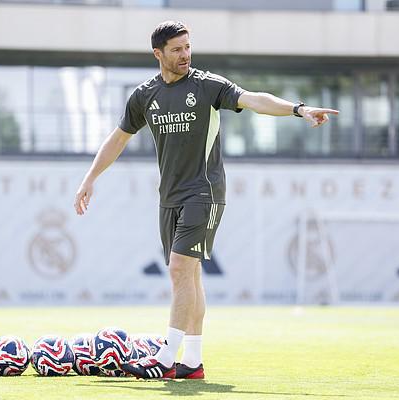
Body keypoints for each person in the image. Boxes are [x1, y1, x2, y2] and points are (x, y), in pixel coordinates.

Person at [74, 20, 339, 380]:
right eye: (176, 49)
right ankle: (193, 361)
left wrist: (298, 109)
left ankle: (165, 358)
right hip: (169, 197)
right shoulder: (144, 95)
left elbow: (254, 99)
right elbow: (119, 138)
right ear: (158, 54)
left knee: (179, 269)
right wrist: (90, 178)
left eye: (188, 47)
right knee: (189, 277)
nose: (185, 54)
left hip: (204, 192)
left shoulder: (207, 85)